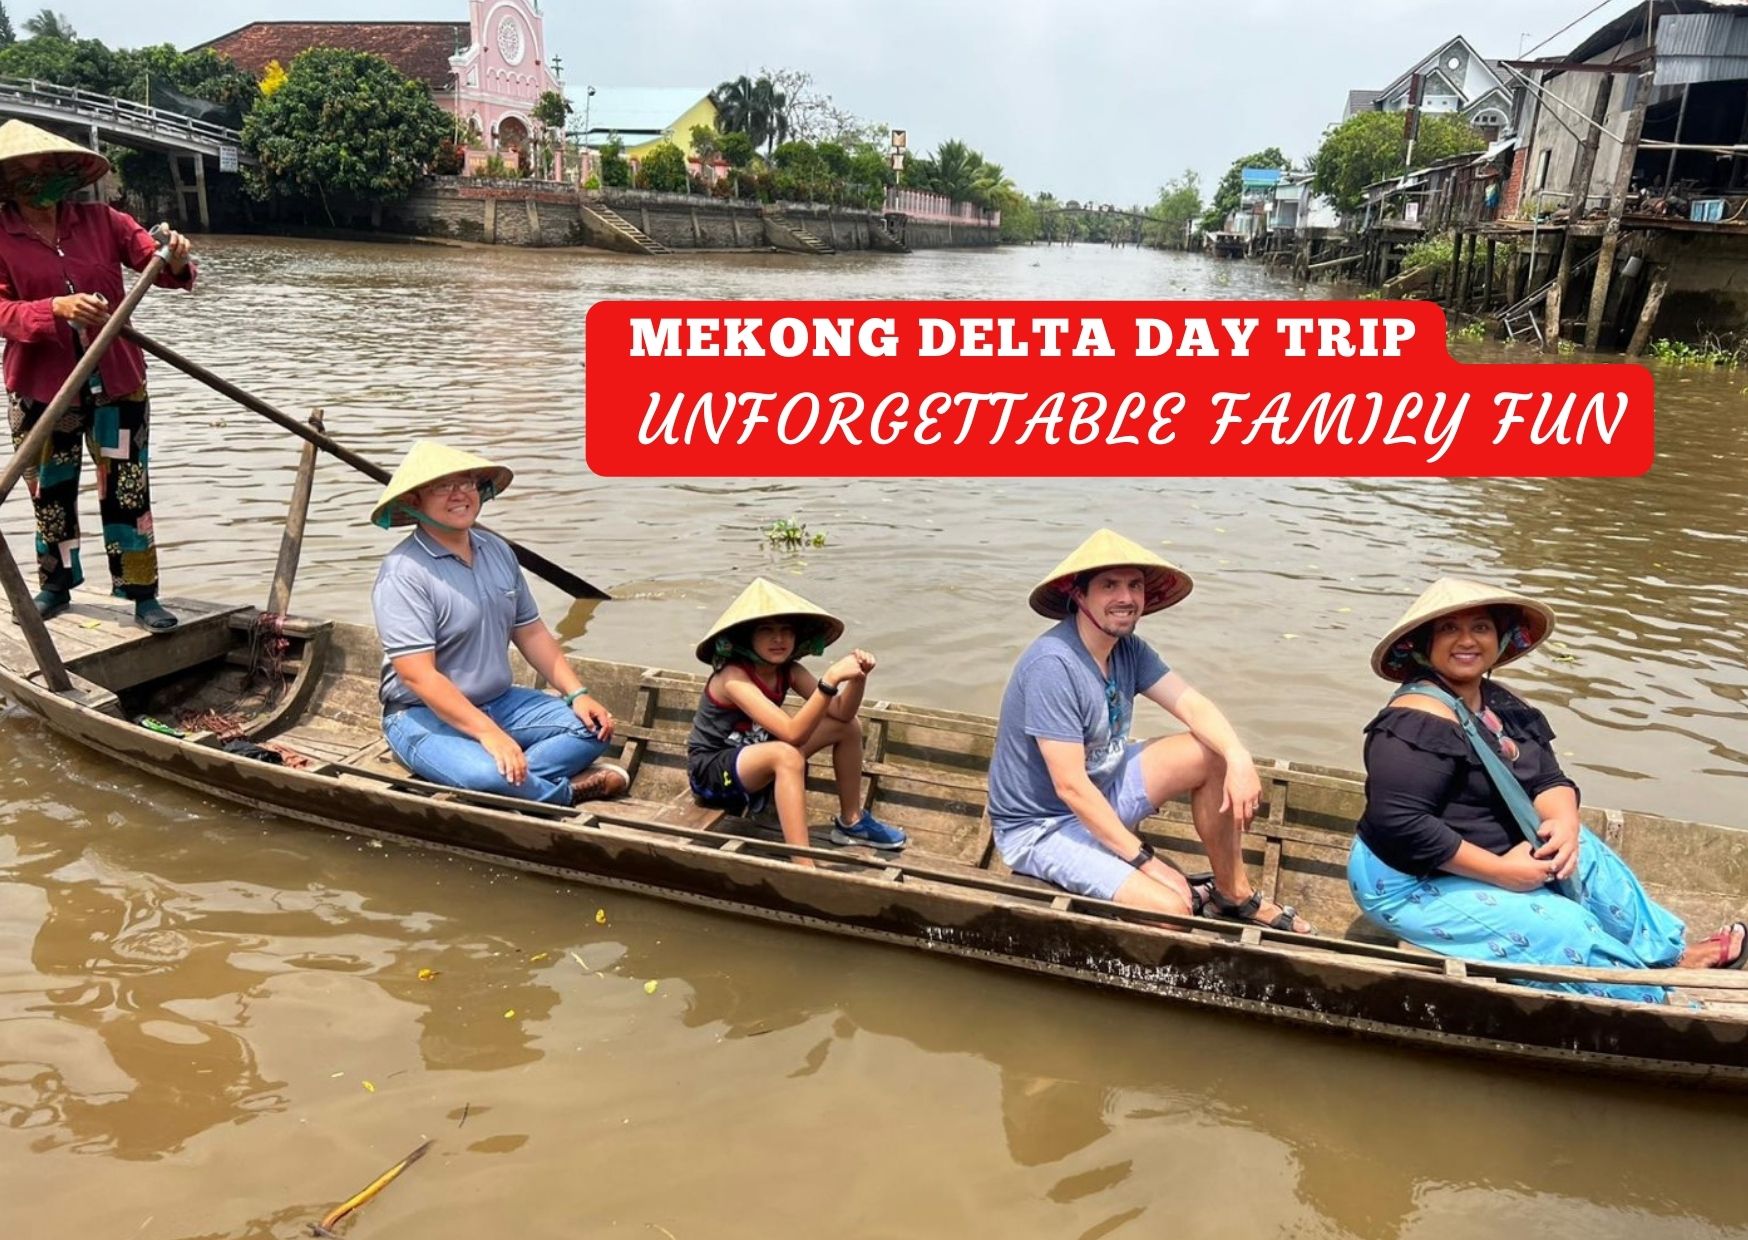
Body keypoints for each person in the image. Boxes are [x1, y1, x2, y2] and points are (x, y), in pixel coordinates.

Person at [1350, 578, 1746, 1002]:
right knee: (1562, 926)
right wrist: (1502, 872)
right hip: (1410, 881)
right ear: (1425, 645)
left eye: (1481, 628)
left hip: (1496, 850)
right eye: (1449, 630)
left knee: (1586, 855)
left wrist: (1564, 822)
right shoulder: (1414, 720)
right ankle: (1649, 999)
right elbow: (1400, 824)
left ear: (1500, 640)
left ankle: (1671, 955)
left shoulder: (1500, 703)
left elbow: (1547, 780)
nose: (1467, 641)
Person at [987, 529, 1311, 931]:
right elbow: (1070, 787)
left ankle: (1234, 895)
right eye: (1109, 585)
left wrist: (1238, 756)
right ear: (1080, 596)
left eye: (1134, 585)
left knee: (1211, 752)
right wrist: (1147, 862)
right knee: (1172, 911)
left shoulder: (1129, 649)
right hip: (1043, 825)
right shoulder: (1053, 665)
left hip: (1103, 790)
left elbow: (1192, 703)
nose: (1126, 598)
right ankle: (1097, 887)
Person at [0, 119, 194, 632]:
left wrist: (172, 254)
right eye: (29, 173)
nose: (43, 180)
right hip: (42, 388)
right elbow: (2, 313)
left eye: (50, 169)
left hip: (117, 381)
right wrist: (53, 309)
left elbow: (159, 264)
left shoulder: (102, 220)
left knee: (127, 488)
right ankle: (56, 585)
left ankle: (141, 592)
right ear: (8, 183)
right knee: (51, 489)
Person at [369, 440, 627, 806]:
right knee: (485, 775)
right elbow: (418, 676)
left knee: (594, 729)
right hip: (421, 713)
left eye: (467, 483)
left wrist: (577, 694)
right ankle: (565, 791)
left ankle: (516, 783)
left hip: (499, 702)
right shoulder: (404, 572)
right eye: (443, 486)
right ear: (414, 501)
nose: (459, 495)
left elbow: (530, 630)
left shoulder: (496, 550)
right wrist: (489, 734)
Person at [687, 577, 906, 859]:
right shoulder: (733, 676)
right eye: (766, 630)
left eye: (786, 631)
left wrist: (857, 678)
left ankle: (851, 821)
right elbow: (792, 734)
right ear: (747, 638)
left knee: (848, 727)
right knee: (787, 755)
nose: (778, 639)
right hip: (714, 772)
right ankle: (802, 863)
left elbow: (841, 712)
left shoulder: (789, 670)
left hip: (758, 756)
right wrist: (830, 679)